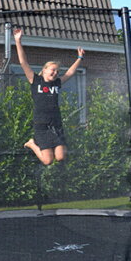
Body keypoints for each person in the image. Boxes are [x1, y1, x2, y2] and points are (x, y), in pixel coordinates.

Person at [13, 27, 85, 165]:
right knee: (47, 160)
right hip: (42, 125)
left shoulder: (57, 83)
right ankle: (32, 144)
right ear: (44, 70)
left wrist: (80, 58)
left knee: (61, 157)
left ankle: (45, 147)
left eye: (57, 71)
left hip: (56, 124)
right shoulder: (35, 80)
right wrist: (18, 41)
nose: (55, 73)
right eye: (53, 70)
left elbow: (69, 73)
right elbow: (23, 62)